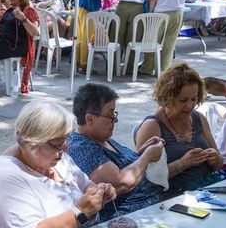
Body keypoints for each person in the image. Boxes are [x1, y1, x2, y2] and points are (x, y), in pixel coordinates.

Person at [0, 100, 115, 228]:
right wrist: (82, 211)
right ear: (32, 142)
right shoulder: (5, 180)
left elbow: (87, 186)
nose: (65, 148)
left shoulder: (57, 159)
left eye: (66, 139)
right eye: (58, 144)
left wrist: (99, 192)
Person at [67, 83, 168, 218]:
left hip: (150, 206)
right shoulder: (82, 147)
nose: (116, 120)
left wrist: (142, 153)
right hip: (128, 216)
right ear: (90, 119)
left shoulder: (101, 137)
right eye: (110, 116)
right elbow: (121, 183)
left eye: (115, 114)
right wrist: (148, 156)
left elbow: (122, 165)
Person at [133, 63, 224, 193]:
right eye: (183, 100)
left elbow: (219, 164)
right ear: (167, 98)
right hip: (173, 196)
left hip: (208, 187)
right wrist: (181, 164)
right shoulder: (152, 126)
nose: (190, 105)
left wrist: (215, 159)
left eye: (194, 99)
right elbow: (142, 178)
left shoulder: (198, 118)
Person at [142, 0, 191, 75]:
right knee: (170, 42)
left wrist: (151, 10)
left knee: (153, 41)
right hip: (178, 11)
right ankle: (165, 69)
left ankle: (147, 67)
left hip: (161, 12)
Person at [0, 0, 40, 95]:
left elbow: (35, 32)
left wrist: (23, 19)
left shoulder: (28, 10)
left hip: (17, 46)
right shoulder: (10, 10)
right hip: (4, 40)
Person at [112, 0, 155, 71]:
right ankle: (129, 67)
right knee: (134, 37)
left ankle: (115, 64)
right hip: (137, 8)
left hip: (122, 6)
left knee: (118, 35)